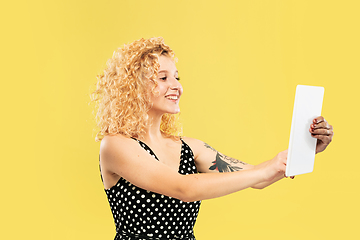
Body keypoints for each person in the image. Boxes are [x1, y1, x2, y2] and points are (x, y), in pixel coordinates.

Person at [92, 37, 333, 240]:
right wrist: (266, 170)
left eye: (177, 77)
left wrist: (304, 148)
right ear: (134, 87)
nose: (176, 86)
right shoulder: (115, 145)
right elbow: (183, 188)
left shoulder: (190, 148)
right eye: (163, 78)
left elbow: (256, 178)